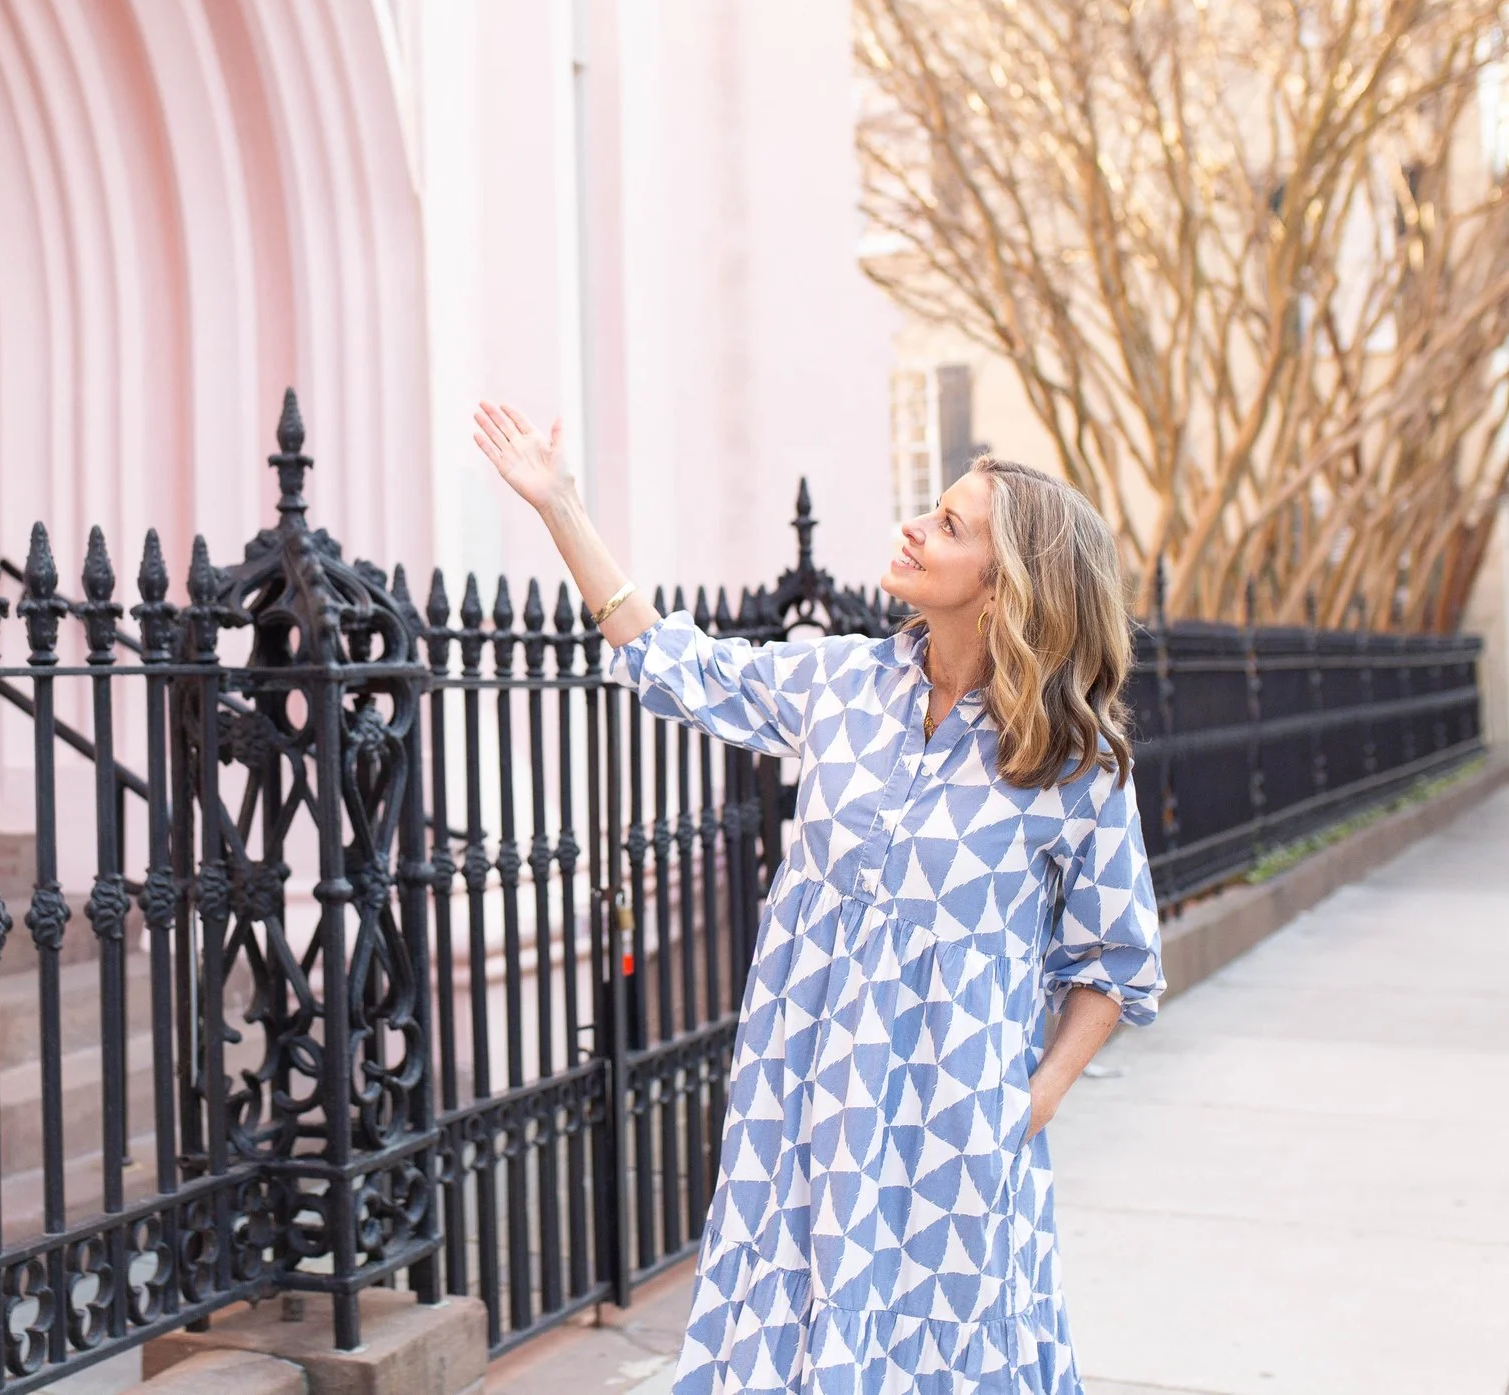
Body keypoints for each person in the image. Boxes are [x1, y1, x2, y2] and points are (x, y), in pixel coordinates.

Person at [473, 400, 1165, 1395]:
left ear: (1007, 584)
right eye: (930, 508)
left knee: (941, 1355)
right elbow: (674, 665)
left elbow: (1114, 963)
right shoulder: (843, 683)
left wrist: (1025, 1104)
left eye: (949, 526)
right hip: (796, 1109)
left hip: (949, 1134)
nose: (914, 529)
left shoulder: (1073, 761)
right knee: (780, 1336)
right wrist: (560, 505)